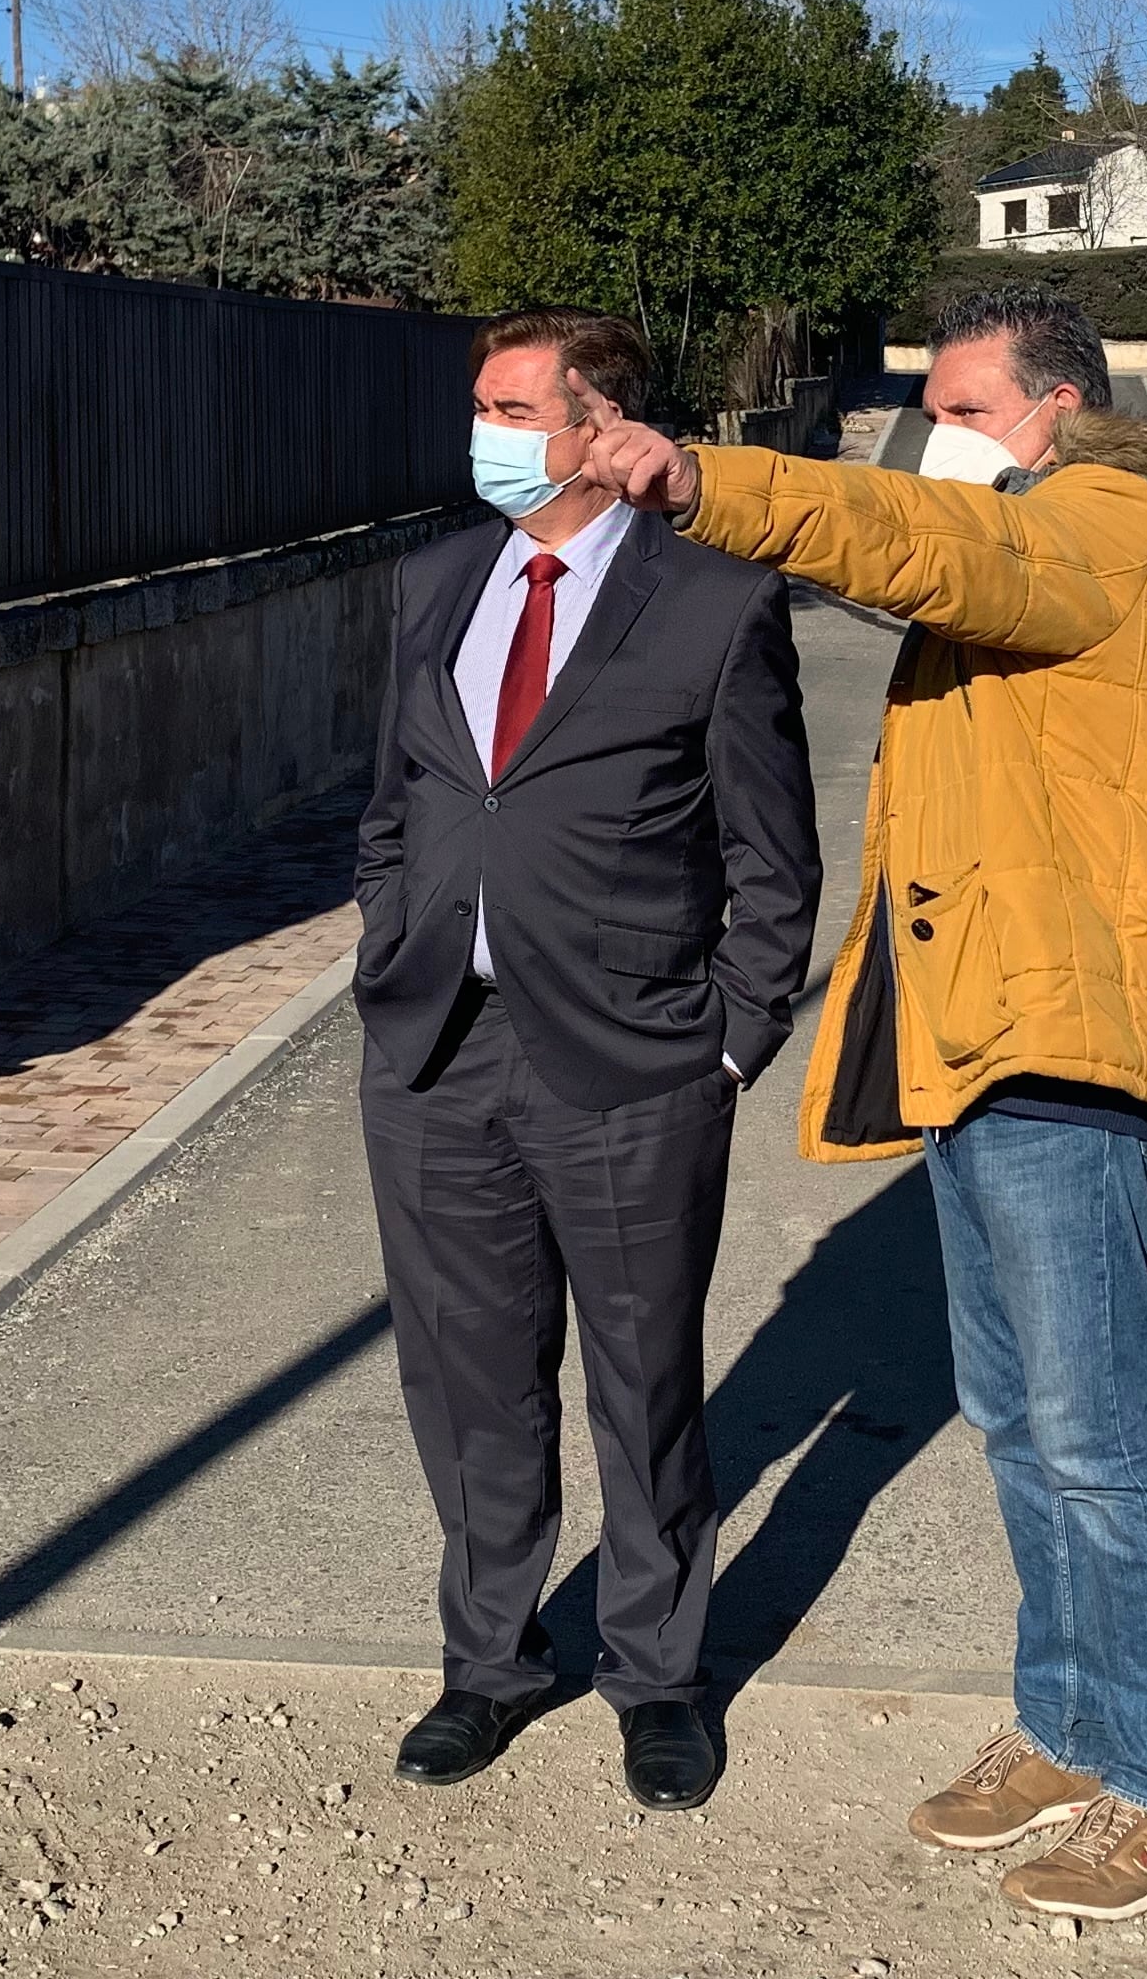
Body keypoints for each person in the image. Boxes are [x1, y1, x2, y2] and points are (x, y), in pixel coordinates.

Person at [576, 281, 1147, 1928]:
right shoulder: (1053, 526)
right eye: (932, 407)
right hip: (985, 1036)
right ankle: (1070, 1725)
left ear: (1063, 407)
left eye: (964, 406)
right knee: (1022, 1421)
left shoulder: (1103, 520)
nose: (935, 434)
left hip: (1064, 1042)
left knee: (1098, 1439)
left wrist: (703, 481)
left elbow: (933, 547)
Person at [350, 308, 822, 1812]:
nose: (480, 433)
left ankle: (658, 1672)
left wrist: (733, 1044)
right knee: (468, 1377)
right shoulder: (434, 587)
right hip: (438, 1050)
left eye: (510, 408)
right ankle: (489, 1663)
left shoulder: (713, 606)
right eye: (479, 406)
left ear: (596, 426)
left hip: (633, 1062)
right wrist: (386, 946)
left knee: (641, 1381)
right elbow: (394, 808)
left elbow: (774, 855)